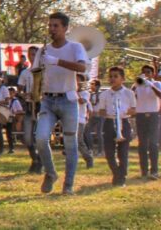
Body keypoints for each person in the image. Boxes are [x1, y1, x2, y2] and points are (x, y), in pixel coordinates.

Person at [35, 12, 87, 195]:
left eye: (56, 26)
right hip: (47, 99)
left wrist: (57, 61)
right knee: (40, 138)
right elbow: (35, 72)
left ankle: (69, 184)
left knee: (70, 143)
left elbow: (82, 67)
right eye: (50, 25)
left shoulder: (75, 47)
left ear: (65, 28)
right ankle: (51, 173)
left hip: (68, 99)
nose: (52, 29)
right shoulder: (44, 50)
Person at [98, 66, 135, 186]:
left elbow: (134, 110)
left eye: (116, 76)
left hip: (124, 122)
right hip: (110, 123)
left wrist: (125, 112)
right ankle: (117, 173)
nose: (112, 79)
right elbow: (101, 111)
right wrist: (109, 112)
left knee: (123, 153)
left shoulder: (129, 93)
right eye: (111, 76)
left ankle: (121, 178)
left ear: (122, 79)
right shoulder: (104, 94)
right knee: (109, 154)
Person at [132, 64, 161, 179]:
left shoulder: (156, 84)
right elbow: (131, 96)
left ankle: (154, 170)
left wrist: (150, 85)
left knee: (153, 143)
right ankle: (144, 170)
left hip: (153, 115)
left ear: (152, 74)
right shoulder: (138, 85)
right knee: (142, 144)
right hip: (140, 115)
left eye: (148, 72)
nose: (146, 74)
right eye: (144, 72)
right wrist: (136, 84)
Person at [16, 50, 41, 173]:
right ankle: (35, 159)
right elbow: (19, 89)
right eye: (32, 54)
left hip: (41, 107)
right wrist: (24, 94)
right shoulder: (25, 73)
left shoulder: (44, 72)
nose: (34, 57)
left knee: (40, 136)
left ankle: (39, 163)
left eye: (36, 54)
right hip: (29, 106)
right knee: (27, 137)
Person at [0, 76, 15, 155]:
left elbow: (7, 101)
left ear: (1, 81)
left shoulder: (4, 88)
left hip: (0, 111)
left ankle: (0, 149)